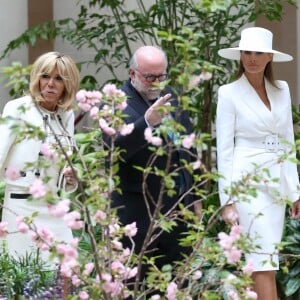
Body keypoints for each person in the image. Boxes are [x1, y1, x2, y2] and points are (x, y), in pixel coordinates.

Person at [102, 46, 201, 285]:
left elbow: (189, 150)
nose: (156, 83)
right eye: (149, 77)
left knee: (176, 285)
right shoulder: (115, 103)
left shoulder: (172, 97)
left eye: (161, 76)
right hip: (137, 213)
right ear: (132, 73)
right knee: (134, 286)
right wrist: (146, 121)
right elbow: (113, 152)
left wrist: (196, 200)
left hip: (178, 212)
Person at [216, 27, 300, 300]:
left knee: (261, 259)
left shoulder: (282, 90)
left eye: (258, 53)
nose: (251, 58)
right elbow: (224, 149)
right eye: (246, 52)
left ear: (269, 58)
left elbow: (287, 139)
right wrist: (227, 199)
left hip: (275, 187)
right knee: (263, 260)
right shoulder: (228, 93)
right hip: (246, 186)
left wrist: (294, 190)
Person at [0, 51, 80, 264]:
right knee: (22, 276)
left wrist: (70, 178)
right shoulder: (18, 108)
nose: (50, 84)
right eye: (45, 76)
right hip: (21, 206)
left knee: (65, 270)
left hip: (54, 207)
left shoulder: (67, 115)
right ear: (36, 78)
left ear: (67, 85)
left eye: (59, 79)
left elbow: (65, 163)